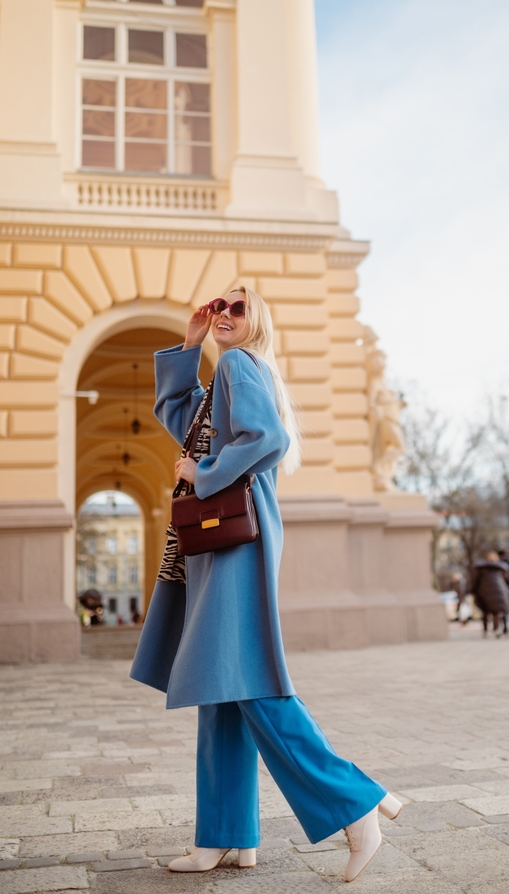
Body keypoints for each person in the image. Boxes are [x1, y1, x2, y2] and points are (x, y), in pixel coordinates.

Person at [130, 288, 401, 883]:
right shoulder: (226, 368)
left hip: (232, 543)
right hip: (226, 543)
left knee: (247, 679)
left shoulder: (238, 365)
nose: (224, 315)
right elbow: (181, 415)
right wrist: (188, 345)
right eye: (217, 306)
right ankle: (225, 838)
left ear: (258, 323)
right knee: (222, 685)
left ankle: (355, 803)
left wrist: (201, 474)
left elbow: (266, 440)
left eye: (237, 308)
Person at [472, 551, 509, 637]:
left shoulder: (481, 568)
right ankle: (497, 629)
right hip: (499, 591)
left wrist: (473, 591)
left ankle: (486, 630)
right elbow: (507, 579)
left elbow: (476, 582)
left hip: (484, 592)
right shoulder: (501, 568)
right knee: (497, 612)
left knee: (485, 612)